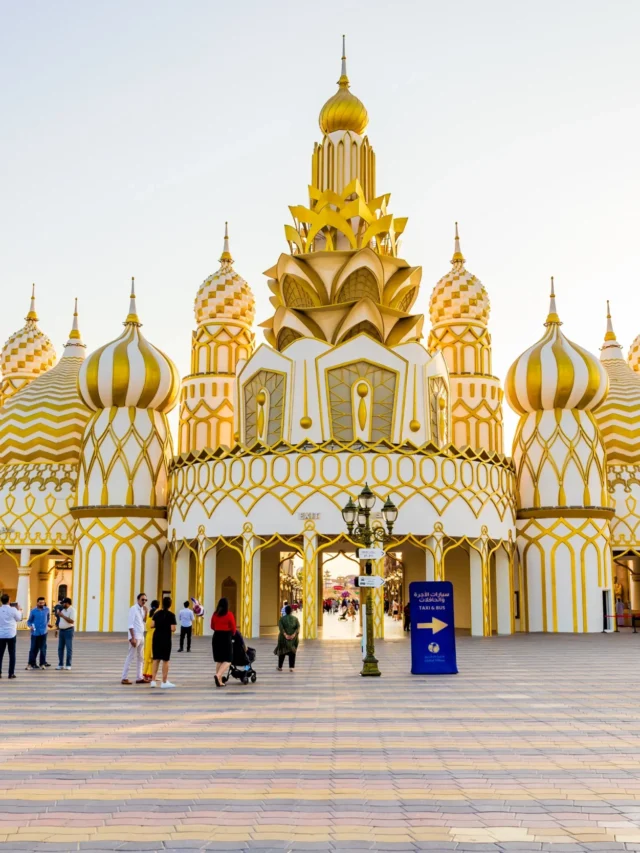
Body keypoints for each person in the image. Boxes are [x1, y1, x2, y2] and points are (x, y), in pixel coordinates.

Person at [150, 596, 177, 689]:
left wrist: (159, 624)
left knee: (156, 659)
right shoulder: (171, 615)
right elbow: (173, 629)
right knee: (165, 660)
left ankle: (153, 681)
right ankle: (164, 681)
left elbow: (152, 625)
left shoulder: (157, 614)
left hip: (156, 637)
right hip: (166, 638)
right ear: (170, 604)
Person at [121, 592, 148, 685]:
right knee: (131, 656)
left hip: (141, 635)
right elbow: (130, 624)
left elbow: (144, 621)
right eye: (142, 599)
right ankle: (124, 677)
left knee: (141, 657)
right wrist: (132, 637)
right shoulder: (133, 609)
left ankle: (139, 677)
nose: (144, 601)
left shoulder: (142, 609)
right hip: (135, 636)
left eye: (145, 600)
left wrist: (146, 611)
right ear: (138, 600)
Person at [211, 597, 236, 687]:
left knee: (219, 660)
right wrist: (232, 634)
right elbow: (233, 628)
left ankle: (220, 681)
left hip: (216, 636)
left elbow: (212, 626)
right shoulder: (229, 614)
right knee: (228, 659)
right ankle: (218, 676)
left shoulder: (215, 614)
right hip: (226, 637)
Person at [0, 593, 22, 679]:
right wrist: (19, 610)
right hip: (11, 634)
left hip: (1, 634)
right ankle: (11, 673)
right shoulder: (13, 609)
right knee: (12, 654)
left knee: (0, 654)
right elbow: (19, 618)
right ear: (9, 601)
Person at [26, 597, 51, 670]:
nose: (41, 604)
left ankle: (42, 663)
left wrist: (47, 624)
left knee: (43, 648)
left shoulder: (47, 610)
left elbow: (48, 618)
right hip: (35, 633)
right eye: (40, 603)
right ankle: (31, 663)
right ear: (37, 603)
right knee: (33, 648)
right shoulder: (33, 611)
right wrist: (30, 626)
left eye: (43, 603)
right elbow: (29, 621)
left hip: (43, 632)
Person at [275, 604, 300, 672]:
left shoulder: (282, 619)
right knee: (292, 652)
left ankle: (280, 667)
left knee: (282, 652)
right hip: (293, 639)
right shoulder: (295, 619)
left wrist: (285, 635)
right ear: (291, 611)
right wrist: (293, 635)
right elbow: (298, 628)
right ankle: (291, 667)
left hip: (283, 639)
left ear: (285, 611)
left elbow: (281, 628)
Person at [56, 597, 76, 670]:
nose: (62, 605)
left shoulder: (72, 610)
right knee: (60, 648)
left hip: (69, 630)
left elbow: (71, 621)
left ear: (67, 603)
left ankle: (68, 664)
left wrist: (62, 616)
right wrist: (57, 629)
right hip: (61, 631)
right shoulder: (63, 610)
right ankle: (60, 664)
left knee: (69, 648)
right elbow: (60, 621)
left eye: (63, 603)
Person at [143, 599, 159, 681]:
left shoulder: (149, 613)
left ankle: (145, 674)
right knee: (153, 657)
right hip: (155, 636)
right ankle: (151, 675)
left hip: (148, 636)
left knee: (147, 656)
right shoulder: (157, 614)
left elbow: (145, 622)